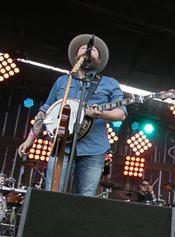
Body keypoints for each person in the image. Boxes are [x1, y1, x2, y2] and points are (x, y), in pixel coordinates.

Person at [18, 34, 127, 196]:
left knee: (85, 199)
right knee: (53, 194)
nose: (88, 50)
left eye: (94, 50)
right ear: (77, 57)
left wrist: (101, 114)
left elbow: (121, 113)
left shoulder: (110, 83)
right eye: (83, 48)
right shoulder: (63, 81)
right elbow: (45, 111)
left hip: (94, 149)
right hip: (62, 145)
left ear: (99, 58)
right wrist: (30, 139)